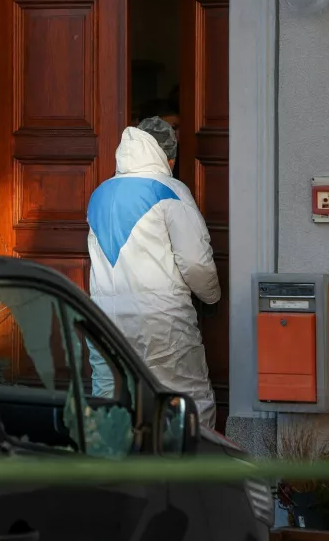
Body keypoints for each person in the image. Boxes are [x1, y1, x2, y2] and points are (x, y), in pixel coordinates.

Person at [85, 116, 220, 428]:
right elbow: (196, 263)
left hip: (104, 320)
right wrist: (211, 297)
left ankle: (110, 472)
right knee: (187, 403)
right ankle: (193, 475)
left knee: (111, 403)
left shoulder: (100, 193)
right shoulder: (170, 191)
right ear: (167, 157)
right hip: (161, 322)